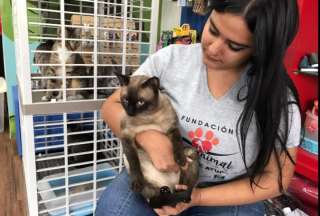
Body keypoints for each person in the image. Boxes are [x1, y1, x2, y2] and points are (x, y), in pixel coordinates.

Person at [96, 0, 302, 215]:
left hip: (226, 191)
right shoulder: (171, 59)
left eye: (234, 46)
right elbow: (111, 106)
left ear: (261, 49)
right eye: (213, 30)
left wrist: (198, 197)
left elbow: (276, 180)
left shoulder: (277, 99)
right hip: (153, 173)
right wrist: (144, 136)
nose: (213, 48)